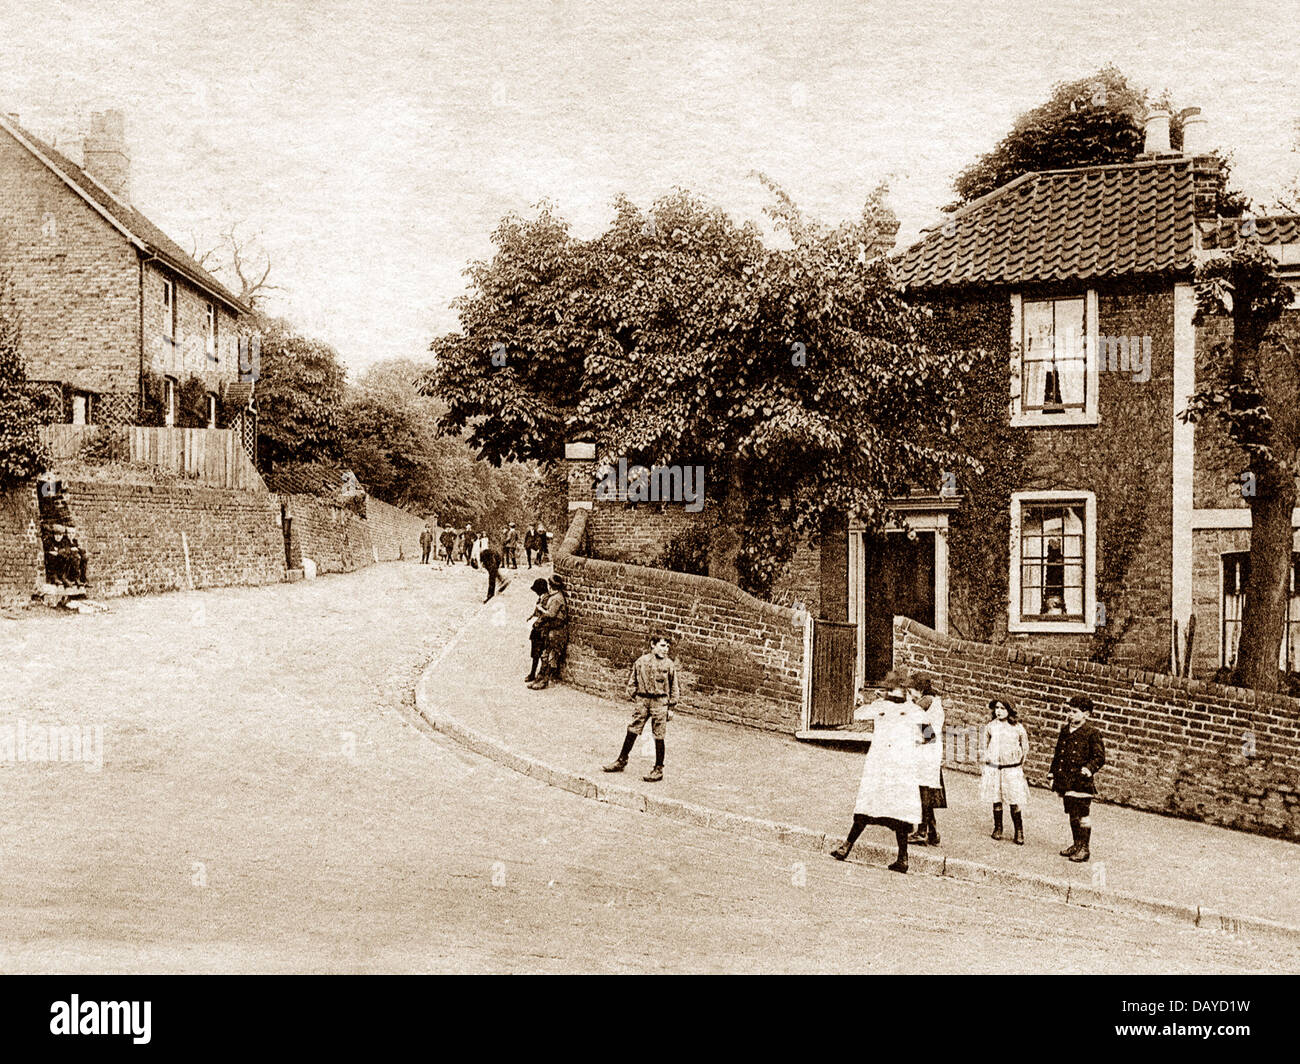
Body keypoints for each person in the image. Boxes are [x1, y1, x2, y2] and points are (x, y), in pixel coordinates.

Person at [831, 669, 923, 873]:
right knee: (878, 805)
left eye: (897, 688)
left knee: (887, 807)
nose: (895, 692)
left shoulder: (900, 709)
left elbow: (929, 735)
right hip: (891, 765)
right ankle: (849, 847)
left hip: (890, 764)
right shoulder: (906, 709)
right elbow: (928, 736)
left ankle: (900, 858)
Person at [603, 634, 680, 782]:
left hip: (660, 701)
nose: (666, 650)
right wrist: (637, 698)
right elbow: (632, 683)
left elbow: (674, 686)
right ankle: (621, 760)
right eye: (662, 646)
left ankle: (658, 768)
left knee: (659, 734)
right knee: (633, 729)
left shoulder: (669, 665)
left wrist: (671, 707)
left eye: (668, 647)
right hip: (643, 700)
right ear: (653, 644)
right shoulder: (641, 662)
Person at [1048, 694, 1106, 863]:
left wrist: (1089, 769)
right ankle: (1076, 844)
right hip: (1066, 779)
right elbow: (1058, 754)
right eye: (1069, 711)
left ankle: (1085, 848)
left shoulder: (1092, 733)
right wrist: (1052, 773)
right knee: (1072, 813)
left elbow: (1099, 757)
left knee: (1082, 814)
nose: (1070, 715)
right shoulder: (1065, 731)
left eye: (1074, 712)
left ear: (1086, 714)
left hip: (1081, 781)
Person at [981, 698, 1030, 844]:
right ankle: (998, 827)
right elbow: (985, 746)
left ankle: (1019, 831)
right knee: (996, 799)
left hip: (1011, 769)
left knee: (1014, 800)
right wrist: (987, 763)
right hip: (995, 768)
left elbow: (1025, 748)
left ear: (1009, 710)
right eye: (997, 708)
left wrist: (1018, 764)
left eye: (1003, 708)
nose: (999, 711)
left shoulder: (1018, 728)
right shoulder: (990, 727)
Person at [908, 674, 946, 847]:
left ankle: (922, 832)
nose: (911, 694)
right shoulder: (933, 702)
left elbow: (928, 735)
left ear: (920, 690)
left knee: (923, 790)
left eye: (912, 690)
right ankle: (932, 832)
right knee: (926, 790)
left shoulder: (926, 704)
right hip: (930, 751)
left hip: (925, 752)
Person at [526, 574, 569, 689]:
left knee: (551, 657)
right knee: (545, 655)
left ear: (552, 586)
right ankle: (539, 678)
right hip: (551, 631)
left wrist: (540, 609)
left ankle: (544, 681)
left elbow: (551, 614)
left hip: (557, 632)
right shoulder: (554, 596)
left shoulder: (557, 598)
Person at [525, 578, 551, 682]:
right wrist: (531, 616)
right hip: (537, 628)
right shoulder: (542, 598)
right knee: (535, 653)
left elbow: (545, 615)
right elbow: (537, 611)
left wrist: (536, 623)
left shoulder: (546, 599)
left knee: (539, 653)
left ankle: (536, 674)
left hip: (540, 629)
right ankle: (533, 673)